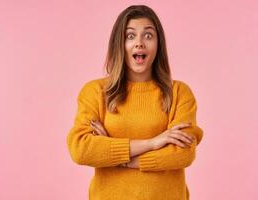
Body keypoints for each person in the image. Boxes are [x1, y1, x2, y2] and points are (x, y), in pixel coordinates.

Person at [67, 4, 204, 200]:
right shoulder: (96, 92)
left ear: (158, 44)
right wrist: (154, 142)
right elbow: (81, 149)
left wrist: (120, 157)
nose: (139, 43)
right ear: (119, 44)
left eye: (148, 35)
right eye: (130, 36)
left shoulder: (179, 92)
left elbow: (183, 154)